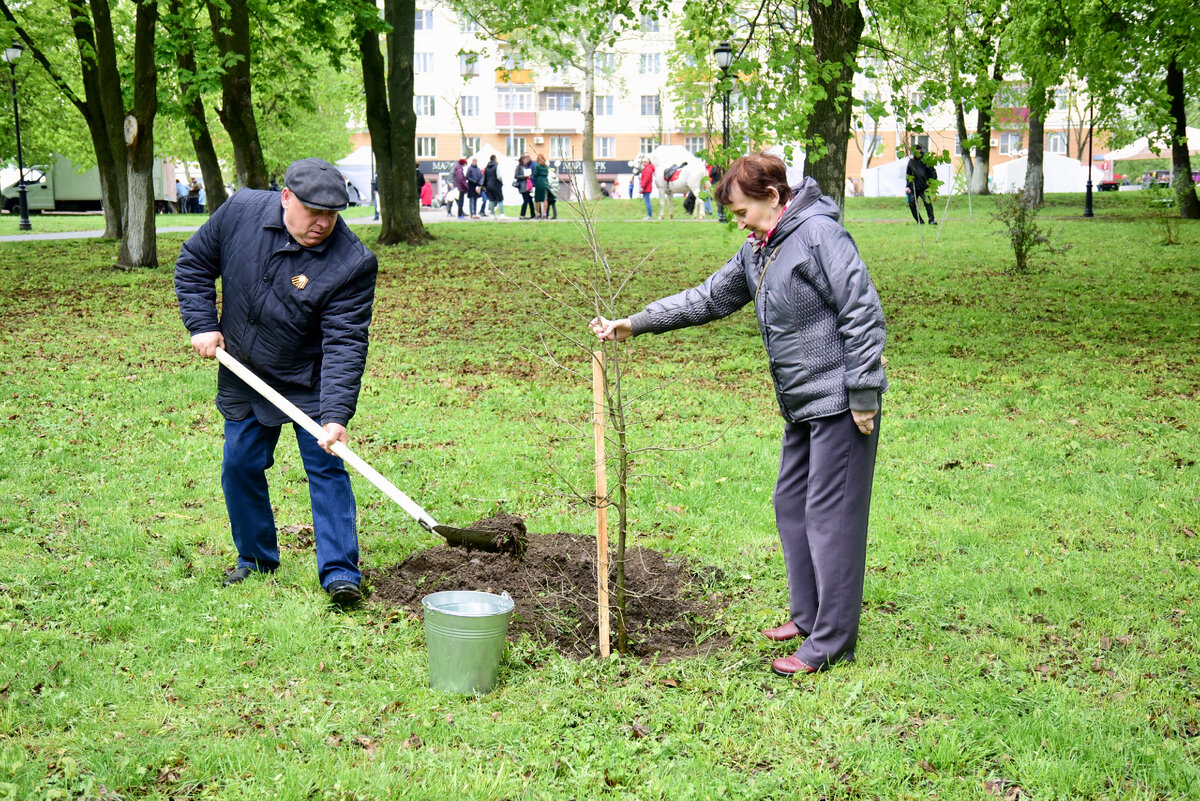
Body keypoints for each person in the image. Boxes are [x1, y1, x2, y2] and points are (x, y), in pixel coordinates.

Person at [590, 153, 886, 676]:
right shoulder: (759, 248)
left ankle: (833, 640)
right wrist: (633, 324)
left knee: (829, 517)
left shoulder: (820, 236)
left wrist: (864, 393)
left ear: (774, 197)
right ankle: (809, 616)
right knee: (791, 503)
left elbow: (862, 312)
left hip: (841, 402)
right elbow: (707, 297)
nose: (740, 223)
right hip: (801, 404)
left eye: (745, 211)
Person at [174, 157, 378, 607]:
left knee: (326, 467)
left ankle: (341, 574)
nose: (323, 224)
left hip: (309, 378)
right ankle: (256, 560)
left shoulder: (352, 263)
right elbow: (193, 263)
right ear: (286, 197)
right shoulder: (241, 211)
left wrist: (336, 415)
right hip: (244, 370)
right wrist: (202, 324)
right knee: (240, 465)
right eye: (313, 212)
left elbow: (345, 342)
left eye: (333, 214)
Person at [905, 144, 936, 225]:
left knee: (927, 203)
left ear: (920, 150)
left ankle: (931, 220)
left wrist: (932, 185)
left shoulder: (926, 160)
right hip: (913, 187)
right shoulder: (911, 162)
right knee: (912, 204)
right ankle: (919, 221)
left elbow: (933, 173)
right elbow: (908, 175)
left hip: (925, 187)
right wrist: (907, 186)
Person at [515, 154, 535, 220]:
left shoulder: (525, 167)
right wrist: (524, 176)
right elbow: (516, 176)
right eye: (525, 159)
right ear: (522, 160)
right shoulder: (519, 167)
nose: (526, 160)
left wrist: (529, 176)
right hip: (523, 186)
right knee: (525, 200)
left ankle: (533, 214)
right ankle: (522, 215)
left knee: (530, 200)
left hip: (528, 186)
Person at [533, 154, 550, 219]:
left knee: (537, 199)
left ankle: (538, 213)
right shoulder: (546, 166)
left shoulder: (537, 165)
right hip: (545, 182)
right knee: (545, 198)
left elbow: (535, 174)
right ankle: (545, 213)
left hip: (539, 182)